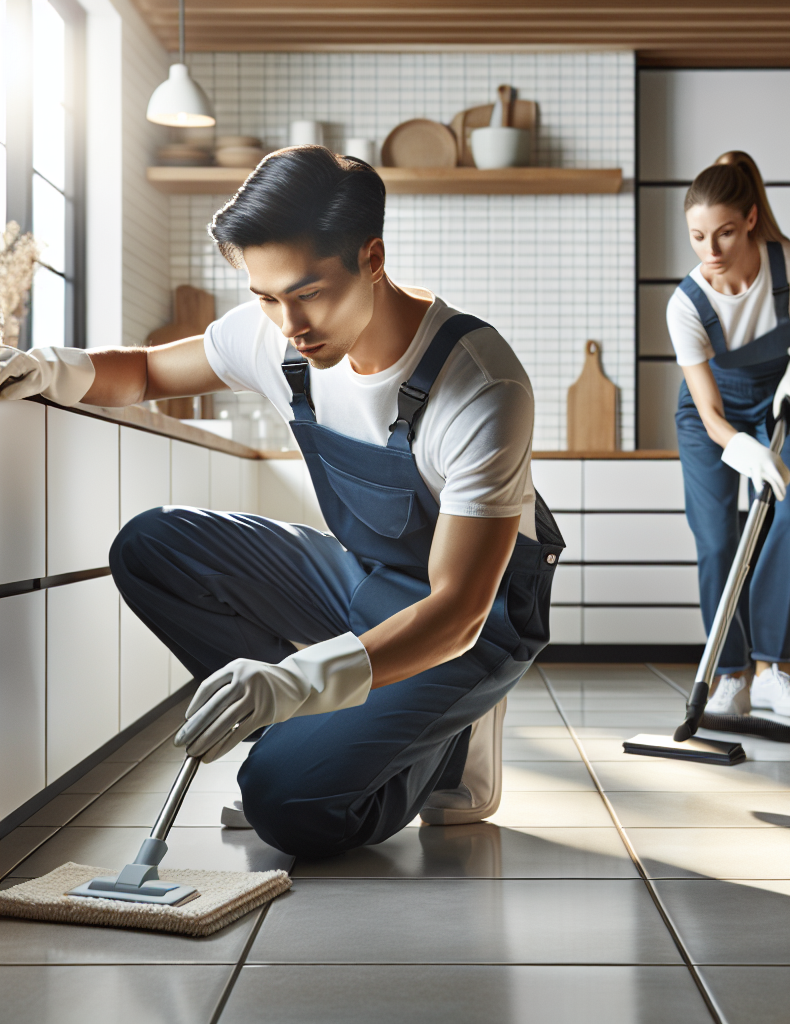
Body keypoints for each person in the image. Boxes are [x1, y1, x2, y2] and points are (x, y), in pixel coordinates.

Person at [0, 147, 563, 858]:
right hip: (367, 582)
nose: (289, 322)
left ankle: (444, 746)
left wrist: (298, 678)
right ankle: (314, 738)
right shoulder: (276, 336)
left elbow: (457, 611)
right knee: (152, 546)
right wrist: (52, 366)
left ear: (372, 257)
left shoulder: (479, 384)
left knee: (286, 808)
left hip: (474, 621)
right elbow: (144, 370)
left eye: (308, 291)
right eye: (266, 296)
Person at [668, 151, 790, 718]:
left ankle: (770, 672)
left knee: (787, 521)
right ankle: (730, 674)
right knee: (716, 538)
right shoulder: (686, 304)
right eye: (697, 237)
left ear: (752, 220)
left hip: (782, 398)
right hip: (710, 415)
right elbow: (710, 412)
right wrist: (741, 446)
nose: (710, 252)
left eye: (726, 233)